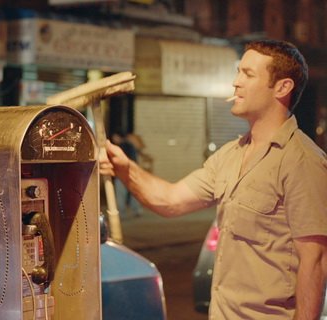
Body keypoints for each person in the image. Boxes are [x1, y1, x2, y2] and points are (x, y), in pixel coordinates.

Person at [100, 39, 327, 319]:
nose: (236, 82)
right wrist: (124, 167)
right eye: (238, 72)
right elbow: (169, 201)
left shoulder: (302, 161)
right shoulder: (230, 155)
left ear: (282, 87)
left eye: (248, 74)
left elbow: (314, 261)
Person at [111, 132, 143, 218]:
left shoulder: (120, 147)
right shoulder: (129, 145)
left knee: (121, 194)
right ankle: (137, 210)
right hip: (132, 173)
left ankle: (121, 213)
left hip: (122, 173)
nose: (114, 139)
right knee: (134, 193)